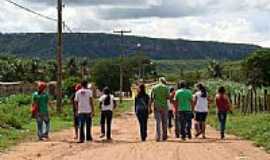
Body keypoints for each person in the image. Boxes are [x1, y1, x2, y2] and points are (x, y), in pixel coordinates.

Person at [150, 77, 169, 142]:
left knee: (158, 122)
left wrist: (150, 107)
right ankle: (165, 136)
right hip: (164, 106)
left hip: (157, 106)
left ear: (159, 81)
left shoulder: (154, 87)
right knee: (164, 122)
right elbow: (168, 97)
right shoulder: (166, 88)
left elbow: (152, 98)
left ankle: (158, 137)